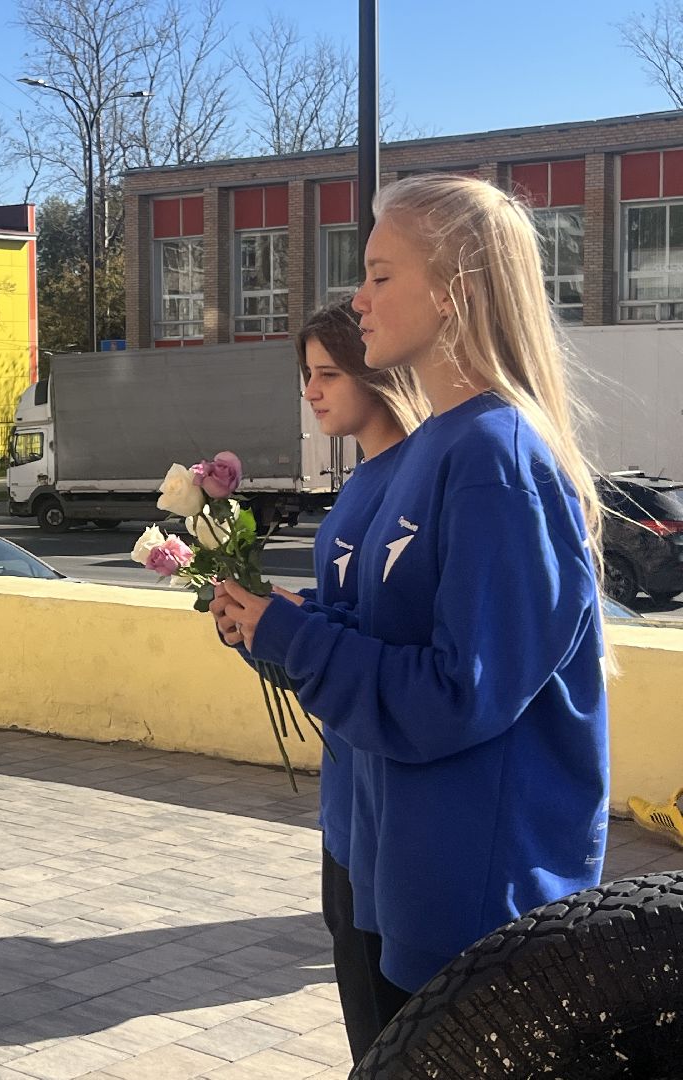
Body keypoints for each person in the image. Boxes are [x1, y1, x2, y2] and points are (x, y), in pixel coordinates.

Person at [215, 174, 609, 1043]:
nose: (357, 300)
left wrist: (297, 639)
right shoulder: (438, 448)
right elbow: (388, 638)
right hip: (401, 880)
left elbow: (458, 694)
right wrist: (276, 630)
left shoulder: (498, 458)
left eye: (380, 275)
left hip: (475, 913)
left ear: (453, 292)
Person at [212, 300, 427, 1061]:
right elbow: (345, 628)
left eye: (329, 372)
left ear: (380, 368)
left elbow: (415, 657)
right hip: (348, 807)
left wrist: (293, 630)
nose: (311, 390)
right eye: (307, 374)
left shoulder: (430, 478)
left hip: (400, 810)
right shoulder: (359, 487)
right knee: (367, 1032)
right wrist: (263, 630)